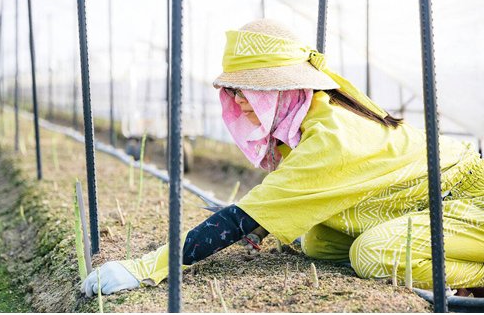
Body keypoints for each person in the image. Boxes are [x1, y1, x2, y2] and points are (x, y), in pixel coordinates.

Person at [82, 19, 484, 298]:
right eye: (235, 89)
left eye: (251, 89)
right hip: (412, 205)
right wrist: (262, 226)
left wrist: (145, 268)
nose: (239, 100)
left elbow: (242, 216)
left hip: (466, 200)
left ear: (285, 89)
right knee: (316, 241)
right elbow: (281, 200)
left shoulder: (332, 137)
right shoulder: (304, 118)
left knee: (374, 255)